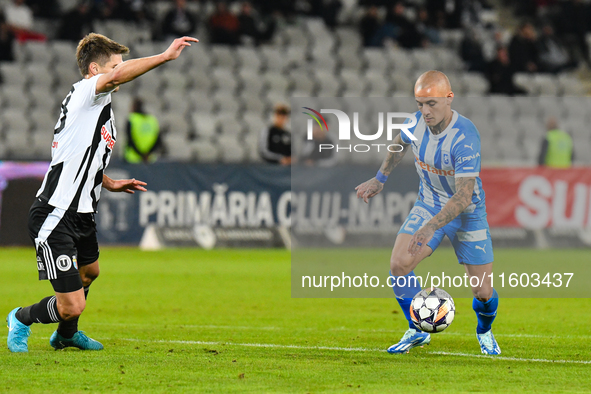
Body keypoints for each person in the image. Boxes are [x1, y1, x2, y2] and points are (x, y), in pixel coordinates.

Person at [6, 33, 198, 353]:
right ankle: (21, 318)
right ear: (95, 70)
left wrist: (109, 182)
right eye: (113, 67)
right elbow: (119, 75)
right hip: (56, 212)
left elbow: (83, 157)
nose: (119, 72)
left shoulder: (101, 111)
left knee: (90, 271)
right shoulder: (86, 93)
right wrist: (164, 56)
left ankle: (67, 335)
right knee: (72, 305)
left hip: (82, 213)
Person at [355, 70, 500, 355]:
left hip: (467, 212)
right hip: (429, 203)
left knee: (482, 292)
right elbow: (399, 144)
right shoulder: (415, 122)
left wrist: (431, 227)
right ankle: (417, 328)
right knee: (398, 264)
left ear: (449, 99)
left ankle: (484, 330)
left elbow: (463, 195)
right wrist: (379, 178)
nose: (424, 111)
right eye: (420, 103)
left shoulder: (465, 136)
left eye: (431, 103)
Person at [124, 97, 162, 164]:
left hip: (133, 159)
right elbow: (158, 139)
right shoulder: (152, 120)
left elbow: (130, 139)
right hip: (149, 159)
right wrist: (147, 154)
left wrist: (140, 154)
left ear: (134, 107)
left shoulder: (131, 119)